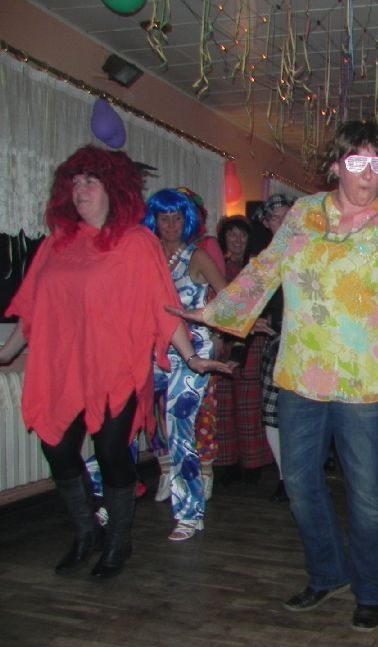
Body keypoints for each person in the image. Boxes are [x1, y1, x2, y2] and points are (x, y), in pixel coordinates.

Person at [173, 121, 378, 632]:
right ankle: (328, 573)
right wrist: (215, 312)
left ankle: (371, 589)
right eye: (357, 162)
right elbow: (266, 269)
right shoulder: (303, 213)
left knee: (367, 491)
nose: (367, 175)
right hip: (302, 371)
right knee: (300, 483)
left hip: (366, 378)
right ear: (336, 165)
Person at [0, 145, 230, 578]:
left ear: (113, 190)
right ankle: (86, 531)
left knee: (110, 451)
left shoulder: (135, 242)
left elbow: (161, 305)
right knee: (57, 448)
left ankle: (119, 541)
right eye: (75, 182)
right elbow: (33, 309)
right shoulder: (56, 244)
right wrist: (7, 352)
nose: (80, 189)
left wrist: (191, 357)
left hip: (115, 368)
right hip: (63, 366)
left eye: (91, 181)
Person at [143, 188, 228, 540]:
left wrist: (209, 323)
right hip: (153, 351)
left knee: (180, 429)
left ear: (187, 220)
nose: (170, 225)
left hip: (191, 353)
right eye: (164, 218)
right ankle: (109, 498)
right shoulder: (146, 256)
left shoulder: (198, 256)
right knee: (131, 419)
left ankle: (190, 515)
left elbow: (229, 301)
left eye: (177, 218)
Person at [213, 215, 274, 485]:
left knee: (249, 403)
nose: (237, 240)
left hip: (253, 339)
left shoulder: (256, 266)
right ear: (224, 238)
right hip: (222, 340)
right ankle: (226, 462)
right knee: (223, 404)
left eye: (242, 235)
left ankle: (252, 462)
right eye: (232, 234)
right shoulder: (217, 266)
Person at [251, 193, 297, 502]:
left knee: (302, 415)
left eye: (286, 216)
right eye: (275, 218)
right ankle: (285, 476)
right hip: (275, 341)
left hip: (308, 346)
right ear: (267, 223)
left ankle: (302, 476)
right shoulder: (261, 258)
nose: (282, 222)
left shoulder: (310, 249)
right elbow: (246, 301)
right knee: (271, 412)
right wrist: (253, 320)